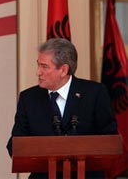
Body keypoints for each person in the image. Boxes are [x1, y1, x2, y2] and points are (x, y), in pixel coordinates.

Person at [7, 38, 118, 179]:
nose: (38, 72)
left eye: (44, 66)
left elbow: (109, 140)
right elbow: (15, 144)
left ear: (63, 70)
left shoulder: (95, 94)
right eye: (38, 65)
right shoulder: (28, 98)